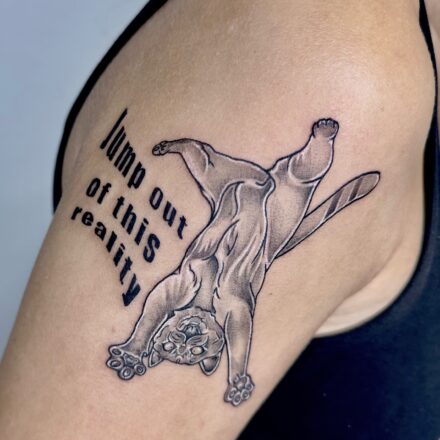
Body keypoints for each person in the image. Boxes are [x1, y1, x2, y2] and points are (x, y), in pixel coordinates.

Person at [0, 0, 438, 438]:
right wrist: (233, 372)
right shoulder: (323, 62)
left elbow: (159, 306)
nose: (189, 340)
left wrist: (141, 343)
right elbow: (235, 329)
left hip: (240, 213)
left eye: (180, 344)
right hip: (262, 225)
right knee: (294, 188)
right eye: (197, 349)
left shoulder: (184, 289)